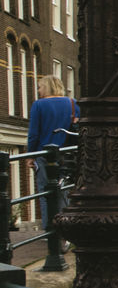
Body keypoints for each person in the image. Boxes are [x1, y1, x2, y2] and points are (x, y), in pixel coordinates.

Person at [26, 75, 78, 232]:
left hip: (45, 155)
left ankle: (51, 231)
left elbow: (33, 133)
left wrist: (30, 155)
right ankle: (66, 227)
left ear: (47, 87)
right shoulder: (72, 103)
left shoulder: (39, 105)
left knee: (46, 192)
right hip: (67, 153)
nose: (39, 90)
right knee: (65, 190)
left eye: (40, 87)